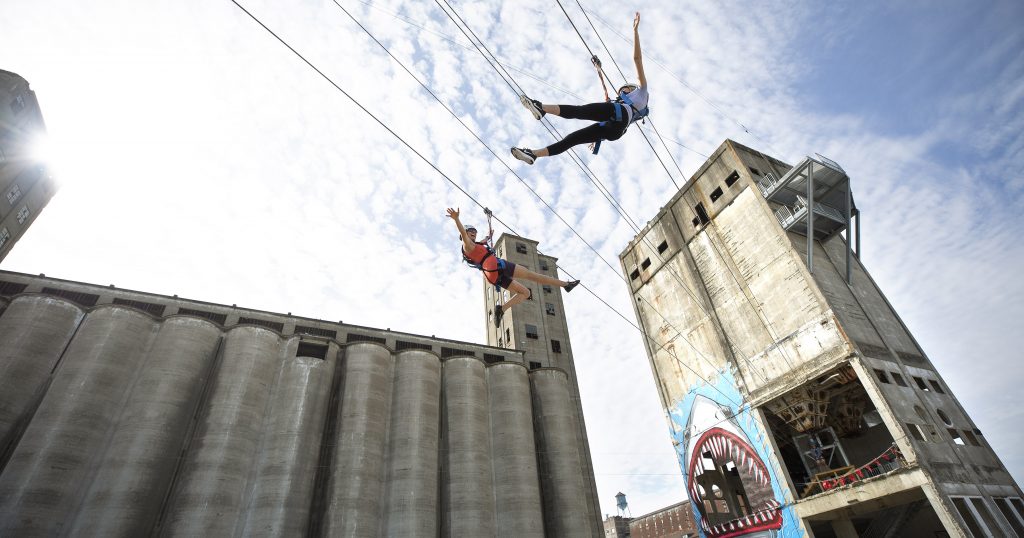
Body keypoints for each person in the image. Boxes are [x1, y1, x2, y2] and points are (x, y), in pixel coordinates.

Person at [511, 12, 648, 165]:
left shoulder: (642, 93)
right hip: (613, 129)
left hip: (617, 120)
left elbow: (637, 59)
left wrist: (635, 31)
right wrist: (598, 69)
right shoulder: (622, 105)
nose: (621, 92)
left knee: (580, 111)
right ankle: (533, 154)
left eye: (624, 90)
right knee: (572, 139)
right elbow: (605, 107)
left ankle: (541, 108)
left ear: (632, 88)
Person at [447, 207, 580, 327]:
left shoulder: (476, 245)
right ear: (464, 234)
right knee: (532, 276)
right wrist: (456, 219)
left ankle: (501, 309)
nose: (473, 234)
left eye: (475, 232)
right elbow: (463, 234)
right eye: (471, 232)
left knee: (526, 293)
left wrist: (488, 236)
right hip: (495, 268)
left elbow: (482, 241)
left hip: (493, 273)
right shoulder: (467, 246)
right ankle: (565, 285)